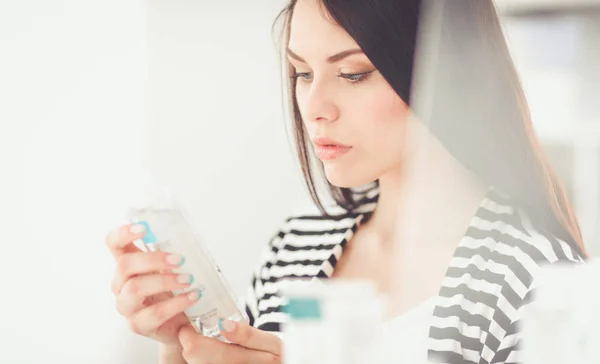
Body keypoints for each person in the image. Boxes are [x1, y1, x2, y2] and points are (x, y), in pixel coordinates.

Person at [105, 0, 588, 363]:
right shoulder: (298, 244)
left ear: (446, 72)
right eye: (301, 72)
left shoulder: (534, 278)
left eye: (353, 74)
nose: (315, 106)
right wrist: (183, 345)